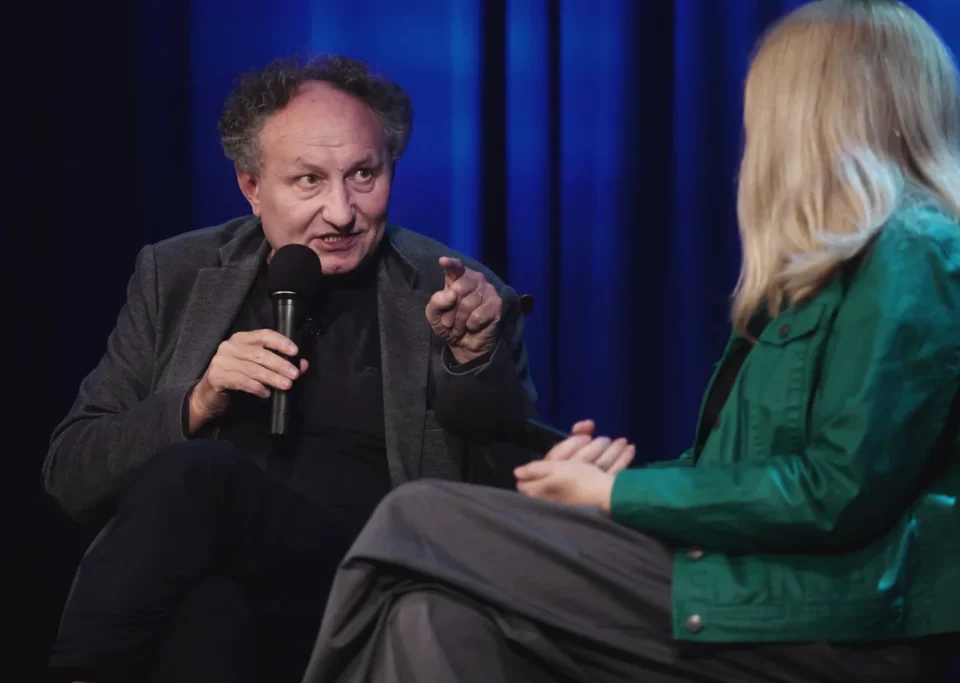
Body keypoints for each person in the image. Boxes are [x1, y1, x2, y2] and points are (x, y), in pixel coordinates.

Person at [302, 2, 960, 682]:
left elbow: (836, 495)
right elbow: (736, 475)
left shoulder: (914, 254)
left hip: (835, 620)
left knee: (419, 514)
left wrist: (616, 498)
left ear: (813, 115)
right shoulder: (829, 271)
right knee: (433, 613)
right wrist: (614, 483)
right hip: (753, 581)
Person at [42, 55, 568, 683]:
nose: (342, 212)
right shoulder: (175, 276)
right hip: (215, 591)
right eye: (308, 181)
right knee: (207, 611)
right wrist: (197, 402)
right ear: (251, 187)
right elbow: (71, 475)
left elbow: (506, 483)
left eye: (364, 174)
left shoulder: (457, 292)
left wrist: (471, 356)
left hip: (366, 588)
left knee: (202, 477)